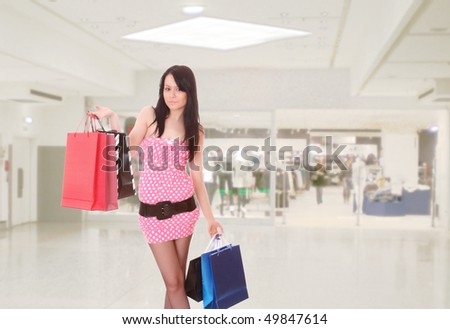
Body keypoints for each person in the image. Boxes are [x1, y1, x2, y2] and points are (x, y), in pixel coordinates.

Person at [94, 65, 223, 309]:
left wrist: (210, 218)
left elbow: (197, 178)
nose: (171, 94)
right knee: (174, 282)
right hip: (152, 214)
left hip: (184, 211)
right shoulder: (149, 115)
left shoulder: (196, 130)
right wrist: (114, 119)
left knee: (175, 285)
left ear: (189, 92)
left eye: (178, 89)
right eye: (167, 88)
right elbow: (127, 150)